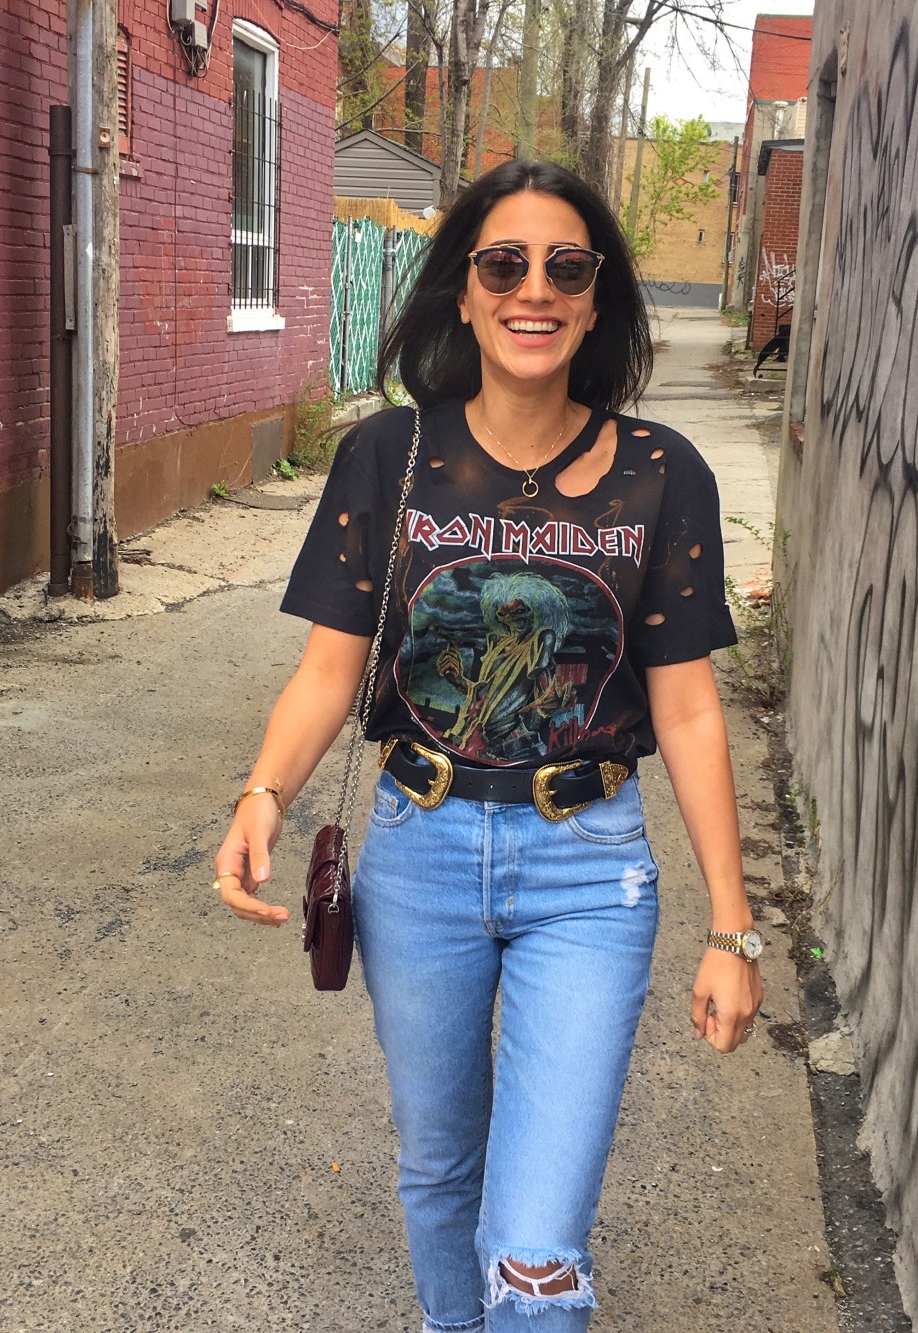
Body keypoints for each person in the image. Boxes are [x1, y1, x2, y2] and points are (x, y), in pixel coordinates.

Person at [214, 160, 764, 1333]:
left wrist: (732, 924)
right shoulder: (388, 456)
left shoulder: (662, 472)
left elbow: (688, 710)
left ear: (598, 299)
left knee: (534, 1252)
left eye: (567, 267)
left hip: (589, 869)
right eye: (503, 263)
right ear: (462, 293)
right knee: (437, 1168)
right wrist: (264, 794)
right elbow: (328, 669)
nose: (534, 289)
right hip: (418, 853)